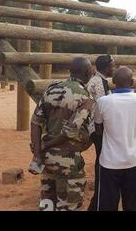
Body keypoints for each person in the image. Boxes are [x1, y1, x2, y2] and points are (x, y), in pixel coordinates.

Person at [29, 57, 94, 211]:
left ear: (70, 72)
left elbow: (35, 122)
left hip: (47, 159)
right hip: (69, 161)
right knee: (69, 205)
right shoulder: (85, 97)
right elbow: (70, 131)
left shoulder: (51, 90)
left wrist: (38, 152)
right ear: (87, 73)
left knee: (47, 204)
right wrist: (47, 144)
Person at [94, 67, 136, 211]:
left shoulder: (103, 102)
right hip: (135, 160)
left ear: (113, 82)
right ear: (131, 82)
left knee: (107, 204)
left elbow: (98, 130)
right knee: (134, 203)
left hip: (110, 162)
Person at [87, 54, 115, 211]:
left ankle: (98, 199)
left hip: (99, 128)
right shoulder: (98, 83)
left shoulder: (101, 80)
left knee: (102, 160)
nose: (114, 68)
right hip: (97, 130)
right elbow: (102, 109)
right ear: (106, 67)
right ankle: (97, 202)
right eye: (113, 65)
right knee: (102, 162)